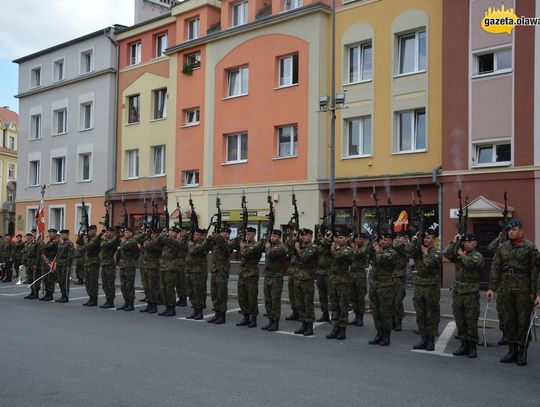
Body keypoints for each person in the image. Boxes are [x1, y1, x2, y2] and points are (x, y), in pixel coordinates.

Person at [487, 219, 538, 366]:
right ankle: (512, 351)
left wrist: (537, 293)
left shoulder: (530, 248)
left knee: (522, 322)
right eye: (509, 230)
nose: (511, 232)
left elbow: (536, 272)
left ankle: (522, 353)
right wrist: (491, 288)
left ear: (521, 231)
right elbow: (495, 268)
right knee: (508, 320)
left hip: (524, 290)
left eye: (514, 229)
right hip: (505, 289)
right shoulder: (502, 247)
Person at [407, 230, 442, 351]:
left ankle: (431, 340)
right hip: (419, 285)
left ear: (434, 239)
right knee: (420, 313)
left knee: (431, 314)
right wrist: (414, 239)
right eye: (424, 238)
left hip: (431, 285)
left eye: (428, 238)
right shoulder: (419, 250)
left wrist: (426, 253)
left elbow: (430, 264)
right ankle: (423, 338)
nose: (426, 240)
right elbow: (408, 252)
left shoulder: (436, 252)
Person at [231, 227, 265, 328]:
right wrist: (239, 237)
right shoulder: (243, 242)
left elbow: (246, 253)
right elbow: (230, 245)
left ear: (254, 235)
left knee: (251, 297)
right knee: (242, 297)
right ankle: (245, 317)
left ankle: (253, 318)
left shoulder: (256, 244)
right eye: (247, 234)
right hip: (242, 274)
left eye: (250, 234)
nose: (248, 236)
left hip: (251, 274)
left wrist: (242, 246)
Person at [368, 232, 398, 346]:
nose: (382, 241)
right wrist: (372, 242)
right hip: (375, 284)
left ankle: (386, 335)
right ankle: (379, 333)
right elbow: (369, 256)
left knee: (385, 312)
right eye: (381, 240)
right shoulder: (378, 250)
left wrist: (377, 250)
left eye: (385, 240)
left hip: (386, 286)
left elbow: (381, 260)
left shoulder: (392, 252)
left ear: (390, 241)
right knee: (375, 311)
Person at [326, 229, 354, 340]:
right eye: (337, 238)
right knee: (334, 305)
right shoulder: (336, 248)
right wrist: (327, 239)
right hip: (333, 281)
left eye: (341, 238)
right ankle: (335, 327)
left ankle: (342, 329)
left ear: (347, 238)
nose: (338, 240)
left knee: (343, 306)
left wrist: (333, 248)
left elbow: (338, 256)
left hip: (343, 282)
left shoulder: (348, 250)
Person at [292, 228, 319, 336]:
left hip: (307, 279)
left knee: (308, 303)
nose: (303, 237)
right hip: (298, 278)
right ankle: (303, 324)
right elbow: (289, 247)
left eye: (306, 235)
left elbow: (304, 257)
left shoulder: (313, 247)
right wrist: (295, 237)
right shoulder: (301, 245)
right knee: (300, 303)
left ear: (311, 236)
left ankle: (309, 326)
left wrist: (298, 249)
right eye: (302, 235)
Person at [261, 229, 288, 332]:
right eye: (271, 236)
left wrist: (267, 246)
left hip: (276, 277)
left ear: (279, 237)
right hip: (268, 275)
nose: (272, 238)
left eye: (275, 236)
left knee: (275, 301)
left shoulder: (281, 247)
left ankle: (275, 322)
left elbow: (270, 254)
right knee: (268, 300)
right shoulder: (270, 245)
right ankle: (270, 320)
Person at [207, 227, 234, 324]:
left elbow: (227, 249)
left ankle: (222, 316)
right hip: (214, 270)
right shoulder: (216, 241)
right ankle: (216, 314)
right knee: (214, 294)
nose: (222, 234)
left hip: (222, 271)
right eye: (221, 232)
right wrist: (210, 238)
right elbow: (206, 246)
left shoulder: (228, 243)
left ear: (228, 234)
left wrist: (217, 237)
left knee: (221, 294)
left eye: (225, 233)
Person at [185, 228, 212, 319]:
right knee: (191, 292)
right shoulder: (194, 243)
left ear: (202, 236)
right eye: (194, 234)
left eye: (197, 234)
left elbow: (193, 251)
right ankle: (195, 310)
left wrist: (191, 246)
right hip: (189, 270)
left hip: (198, 272)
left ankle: (199, 311)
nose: (194, 236)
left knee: (198, 292)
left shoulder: (204, 244)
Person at [155, 227, 182, 317]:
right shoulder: (166, 241)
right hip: (163, 267)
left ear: (177, 233)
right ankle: (167, 307)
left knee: (169, 289)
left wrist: (163, 233)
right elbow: (157, 240)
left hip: (170, 267)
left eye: (172, 232)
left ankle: (172, 308)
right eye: (170, 231)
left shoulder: (175, 241)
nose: (170, 233)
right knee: (163, 289)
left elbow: (162, 238)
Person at [135, 228, 161, 313]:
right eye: (151, 234)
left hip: (153, 267)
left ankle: (154, 305)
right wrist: (144, 233)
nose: (153, 235)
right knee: (146, 287)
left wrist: (146, 240)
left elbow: (147, 245)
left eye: (155, 234)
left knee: (152, 287)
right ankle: (149, 304)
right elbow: (136, 239)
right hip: (146, 267)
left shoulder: (157, 243)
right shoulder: (148, 240)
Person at [77, 225, 103, 307]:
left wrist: (85, 241)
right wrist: (82, 234)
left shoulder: (97, 239)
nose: (89, 232)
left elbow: (90, 246)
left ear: (95, 230)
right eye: (88, 231)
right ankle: (90, 298)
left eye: (90, 231)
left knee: (93, 282)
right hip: (87, 262)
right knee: (87, 282)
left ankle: (94, 299)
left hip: (94, 262)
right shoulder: (88, 239)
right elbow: (78, 243)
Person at [349, 232, 371, 327]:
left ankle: (360, 317)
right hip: (351, 275)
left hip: (360, 276)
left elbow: (359, 254)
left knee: (360, 298)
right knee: (353, 297)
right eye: (356, 238)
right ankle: (356, 315)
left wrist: (354, 247)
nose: (357, 240)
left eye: (360, 239)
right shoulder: (353, 247)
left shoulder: (365, 248)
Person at [116, 227, 140, 312]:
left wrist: (122, 240)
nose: (124, 233)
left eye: (126, 232)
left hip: (129, 266)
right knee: (123, 286)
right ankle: (126, 301)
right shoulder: (124, 241)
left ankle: (131, 303)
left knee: (129, 285)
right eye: (124, 232)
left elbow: (125, 247)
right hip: (122, 266)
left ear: (131, 233)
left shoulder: (132, 241)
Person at [392, 232, 410, 331]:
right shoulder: (394, 245)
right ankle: (392, 320)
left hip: (399, 275)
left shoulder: (404, 247)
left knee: (398, 299)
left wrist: (394, 241)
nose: (398, 239)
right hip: (389, 275)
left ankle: (399, 320)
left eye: (401, 237)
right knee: (390, 299)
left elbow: (396, 245)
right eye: (397, 237)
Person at [100, 227, 121, 309]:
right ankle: (107, 299)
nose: (106, 234)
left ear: (112, 233)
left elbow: (104, 245)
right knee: (105, 284)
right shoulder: (106, 240)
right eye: (106, 232)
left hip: (110, 264)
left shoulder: (114, 240)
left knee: (110, 283)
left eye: (108, 232)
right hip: (104, 264)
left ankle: (110, 300)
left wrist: (103, 239)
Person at [315, 231, 332, 322]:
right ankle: (324, 313)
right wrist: (324, 239)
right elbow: (319, 250)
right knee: (322, 296)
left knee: (332, 296)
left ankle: (334, 315)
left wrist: (326, 239)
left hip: (329, 273)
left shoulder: (332, 243)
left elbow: (328, 246)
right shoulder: (322, 243)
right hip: (320, 272)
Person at [55, 230, 74, 303]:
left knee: (65, 280)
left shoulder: (70, 244)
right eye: (61, 234)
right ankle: (62, 295)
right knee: (60, 280)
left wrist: (68, 266)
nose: (62, 236)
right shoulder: (61, 244)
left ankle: (65, 296)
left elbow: (70, 256)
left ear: (67, 235)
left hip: (65, 264)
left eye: (64, 234)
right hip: (59, 264)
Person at [40, 229, 59, 301]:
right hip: (46, 262)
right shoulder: (49, 242)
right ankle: (47, 293)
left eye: (51, 233)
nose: (50, 235)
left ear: (55, 234)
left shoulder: (56, 242)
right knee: (46, 279)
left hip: (51, 262)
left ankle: (50, 294)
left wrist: (43, 244)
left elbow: (46, 248)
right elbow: (43, 249)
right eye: (49, 233)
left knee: (50, 279)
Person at [176, 227, 190, 307]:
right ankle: (180, 298)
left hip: (183, 263)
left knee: (183, 283)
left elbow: (185, 247)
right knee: (178, 283)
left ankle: (184, 299)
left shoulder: (187, 240)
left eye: (183, 231)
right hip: (177, 263)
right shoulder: (180, 239)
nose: (181, 233)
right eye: (181, 231)